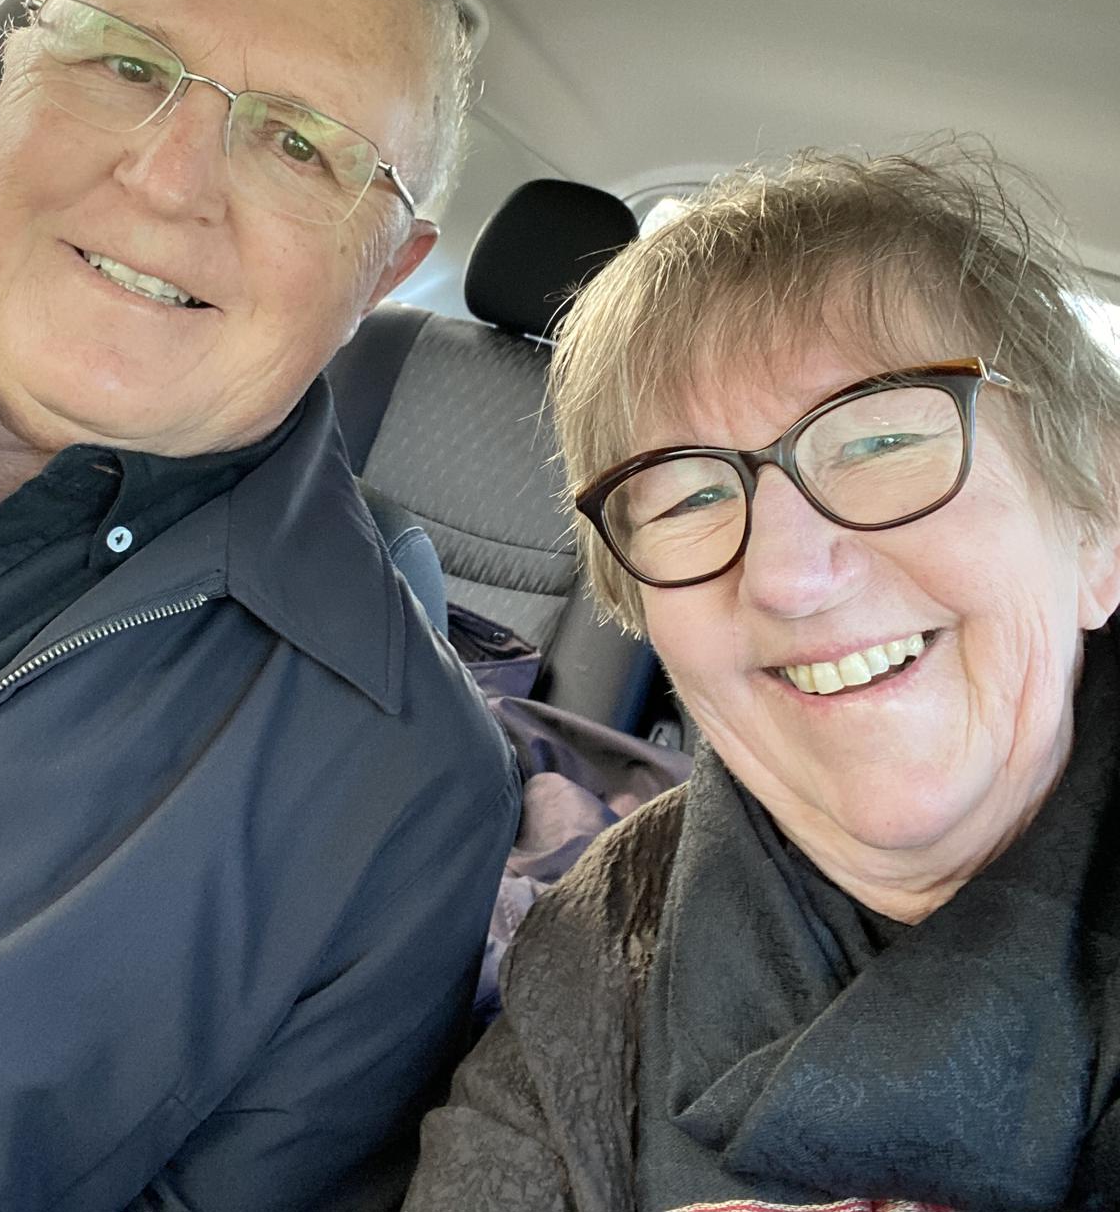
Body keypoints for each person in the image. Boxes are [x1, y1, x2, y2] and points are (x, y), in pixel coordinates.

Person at [0, 0, 519, 1210]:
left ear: (385, 269)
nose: (165, 177)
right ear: (0, 76)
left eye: (300, 143)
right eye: (124, 62)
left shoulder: (401, 790)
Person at [405, 145, 1120, 1212]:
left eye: (882, 439)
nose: (786, 576)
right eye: (687, 496)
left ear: (1097, 516)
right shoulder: (599, 944)